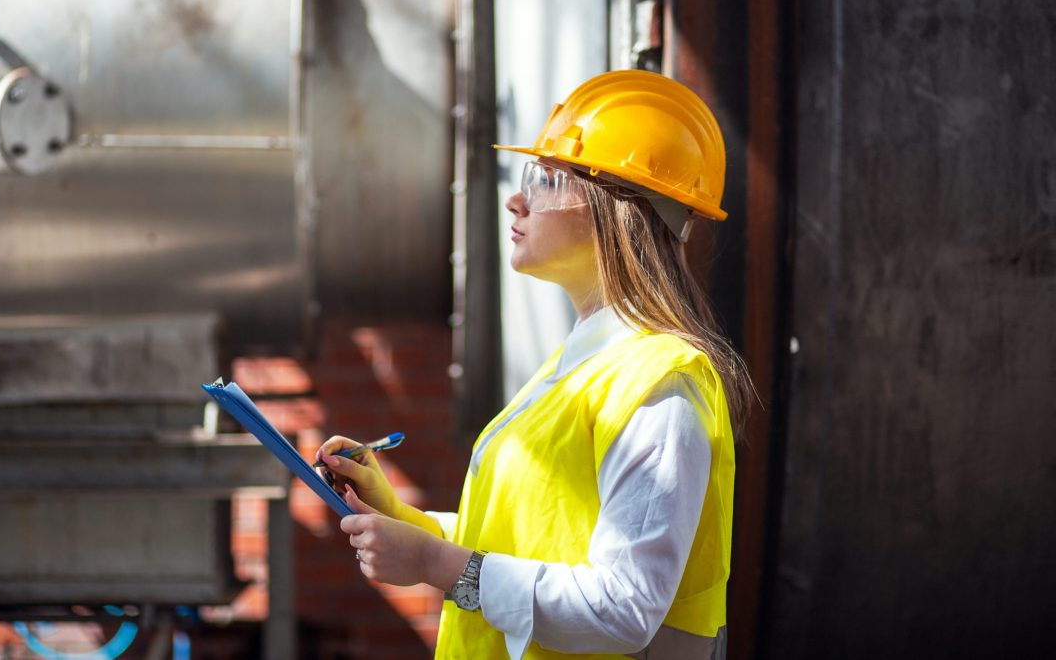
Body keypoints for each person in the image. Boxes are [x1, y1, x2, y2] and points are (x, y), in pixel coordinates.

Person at [316, 70, 754, 659]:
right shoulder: (586, 361)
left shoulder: (661, 384)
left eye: (547, 178)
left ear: (615, 210)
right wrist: (395, 515)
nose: (517, 198)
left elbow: (623, 610)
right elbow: (522, 541)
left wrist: (434, 564)